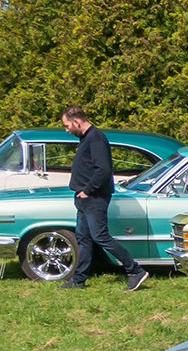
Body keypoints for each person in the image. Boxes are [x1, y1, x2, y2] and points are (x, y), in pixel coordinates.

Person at [61, 106, 148, 291]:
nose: (66, 130)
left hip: (94, 198)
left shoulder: (96, 138)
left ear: (77, 121)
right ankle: (79, 280)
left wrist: (88, 190)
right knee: (83, 239)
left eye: (67, 125)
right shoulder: (86, 138)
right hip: (84, 199)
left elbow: (104, 169)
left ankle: (135, 270)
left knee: (100, 236)